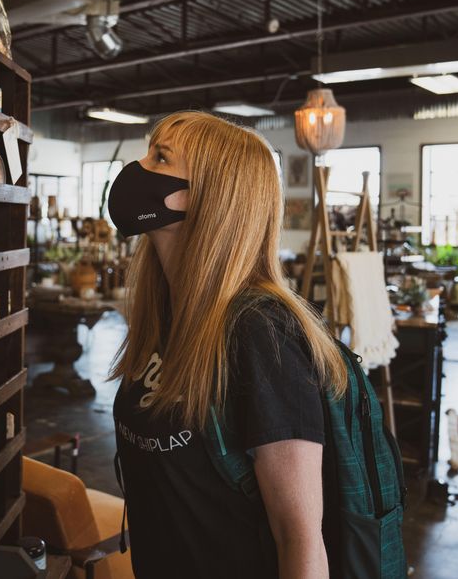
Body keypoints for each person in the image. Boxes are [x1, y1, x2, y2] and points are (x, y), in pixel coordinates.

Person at [108, 110, 349, 579]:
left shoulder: (261, 333)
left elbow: (298, 538)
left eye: (160, 158)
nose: (138, 168)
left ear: (208, 198)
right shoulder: (168, 312)